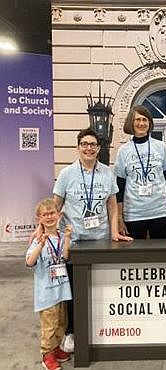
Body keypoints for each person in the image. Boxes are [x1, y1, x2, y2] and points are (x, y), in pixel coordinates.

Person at [53, 127, 132, 352]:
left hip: (100, 240)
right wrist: (48, 231)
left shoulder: (108, 173)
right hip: (74, 241)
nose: (89, 148)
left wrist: (114, 231)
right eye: (85, 144)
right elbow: (56, 204)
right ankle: (72, 332)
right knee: (75, 290)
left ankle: (100, 329)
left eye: (93, 145)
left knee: (100, 287)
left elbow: (111, 204)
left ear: (98, 148)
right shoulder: (67, 174)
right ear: (78, 147)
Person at [114, 105, 166, 239]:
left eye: (145, 119)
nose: (141, 123)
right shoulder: (123, 151)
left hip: (161, 212)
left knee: (161, 256)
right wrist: (120, 217)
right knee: (136, 257)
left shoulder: (160, 146)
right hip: (134, 214)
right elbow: (119, 187)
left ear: (149, 123)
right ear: (131, 123)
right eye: (137, 120)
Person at [26, 198, 72, 370]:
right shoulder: (37, 239)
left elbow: (66, 257)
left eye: (52, 213)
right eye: (45, 214)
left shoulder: (60, 236)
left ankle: (56, 348)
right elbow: (30, 262)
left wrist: (67, 238)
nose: (49, 217)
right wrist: (40, 245)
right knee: (49, 326)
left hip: (62, 290)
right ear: (39, 219)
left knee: (62, 323)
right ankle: (47, 355)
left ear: (58, 215)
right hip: (47, 293)